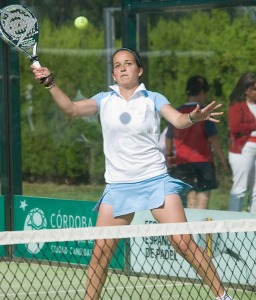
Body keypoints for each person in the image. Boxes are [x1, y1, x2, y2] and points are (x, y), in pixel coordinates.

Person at [31, 47, 233, 300]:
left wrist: (193, 117)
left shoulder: (153, 98)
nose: (123, 68)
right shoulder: (104, 100)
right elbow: (71, 109)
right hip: (118, 187)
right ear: (114, 74)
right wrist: (50, 83)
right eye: (117, 65)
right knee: (101, 252)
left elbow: (179, 120)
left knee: (183, 242)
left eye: (128, 63)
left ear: (139, 70)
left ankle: (223, 296)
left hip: (156, 181)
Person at [165, 76, 228, 209]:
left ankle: (191, 228)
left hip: (182, 162)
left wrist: (170, 156)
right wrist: (222, 160)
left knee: (190, 199)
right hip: (203, 161)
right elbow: (213, 139)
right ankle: (201, 229)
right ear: (202, 92)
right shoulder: (204, 113)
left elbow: (168, 137)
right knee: (203, 198)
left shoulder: (177, 112)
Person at [228, 72, 256, 212]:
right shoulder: (237, 106)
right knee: (240, 188)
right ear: (246, 90)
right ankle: (233, 224)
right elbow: (235, 127)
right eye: (255, 89)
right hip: (243, 149)